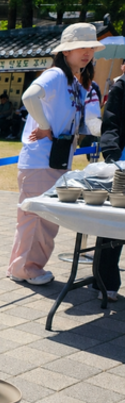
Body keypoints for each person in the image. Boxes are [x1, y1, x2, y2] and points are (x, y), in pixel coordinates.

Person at [7, 23, 103, 285]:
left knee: (45, 219)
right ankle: (24, 269)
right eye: (79, 47)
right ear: (66, 51)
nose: (86, 53)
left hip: (57, 159)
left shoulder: (75, 82)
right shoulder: (56, 75)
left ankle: (28, 267)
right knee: (34, 217)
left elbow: (86, 122)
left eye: (90, 48)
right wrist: (45, 127)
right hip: (40, 160)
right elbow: (30, 97)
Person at [96, 60, 125, 302]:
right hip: (122, 163)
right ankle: (105, 280)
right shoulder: (120, 87)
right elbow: (111, 123)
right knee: (113, 226)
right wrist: (112, 155)